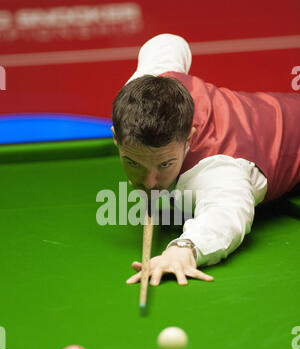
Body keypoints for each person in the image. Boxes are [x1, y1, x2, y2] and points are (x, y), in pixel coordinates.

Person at [111, 34, 300, 287]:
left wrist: (184, 248)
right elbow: (167, 42)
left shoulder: (221, 166)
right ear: (115, 137)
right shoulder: (146, 86)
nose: (150, 181)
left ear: (189, 138)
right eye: (134, 162)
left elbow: (226, 214)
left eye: (164, 164)